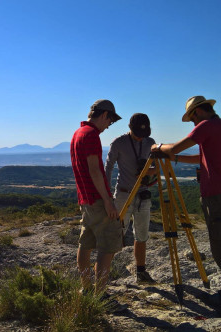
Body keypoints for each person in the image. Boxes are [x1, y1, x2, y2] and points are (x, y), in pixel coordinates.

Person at [153, 95, 221, 316]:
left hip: (216, 195)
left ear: (196, 112)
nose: (193, 123)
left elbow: (176, 147)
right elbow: (202, 158)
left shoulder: (206, 126)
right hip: (220, 193)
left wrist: (158, 147)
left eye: (192, 119)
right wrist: (175, 159)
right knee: (220, 246)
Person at [70, 99, 124, 296]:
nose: (109, 125)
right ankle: (100, 295)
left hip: (85, 199)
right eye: (110, 120)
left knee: (85, 244)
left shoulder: (78, 134)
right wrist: (108, 201)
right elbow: (95, 170)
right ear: (104, 115)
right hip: (98, 200)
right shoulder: (92, 135)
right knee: (107, 248)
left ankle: (85, 288)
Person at [104, 113, 157, 284]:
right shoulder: (118, 143)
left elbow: (157, 168)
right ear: (130, 128)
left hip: (143, 194)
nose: (141, 138)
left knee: (141, 235)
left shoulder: (150, 142)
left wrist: (149, 171)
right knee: (115, 234)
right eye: (137, 134)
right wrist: (106, 196)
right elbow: (108, 168)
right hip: (123, 194)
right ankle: (104, 275)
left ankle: (141, 272)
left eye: (144, 134)